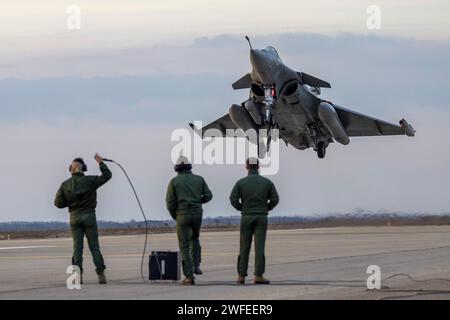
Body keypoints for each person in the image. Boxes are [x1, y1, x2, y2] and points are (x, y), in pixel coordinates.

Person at [54, 154, 112, 284]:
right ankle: (101, 273)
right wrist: (100, 163)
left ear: (71, 168)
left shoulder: (65, 185)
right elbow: (107, 176)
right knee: (94, 247)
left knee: (77, 248)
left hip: (74, 217)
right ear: (83, 169)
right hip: (89, 215)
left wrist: (70, 202)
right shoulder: (91, 180)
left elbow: (58, 204)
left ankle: (77, 276)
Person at [230, 157, 279, 285]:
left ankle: (241, 276)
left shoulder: (240, 183)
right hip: (261, 217)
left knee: (244, 247)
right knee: (259, 247)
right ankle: (258, 275)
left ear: (246, 166)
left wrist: (243, 208)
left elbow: (233, 199)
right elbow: (275, 199)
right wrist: (266, 208)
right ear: (258, 166)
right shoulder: (267, 182)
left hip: (246, 216)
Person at [165, 156, 212, 285]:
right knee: (195, 239)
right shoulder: (199, 179)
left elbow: (170, 203)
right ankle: (196, 265)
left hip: (182, 215)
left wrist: (176, 216)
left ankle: (189, 276)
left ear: (177, 168)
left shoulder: (174, 182)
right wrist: (196, 201)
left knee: (184, 246)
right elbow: (208, 196)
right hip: (197, 214)